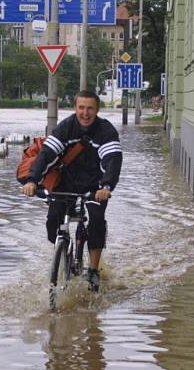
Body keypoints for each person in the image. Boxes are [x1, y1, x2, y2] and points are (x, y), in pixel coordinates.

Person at [21, 90, 122, 292]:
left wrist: (106, 187)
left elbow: (112, 161)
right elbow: (46, 154)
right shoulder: (65, 127)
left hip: (95, 186)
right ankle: (62, 249)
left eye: (90, 108)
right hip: (66, 182)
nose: (85, 113)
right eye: (81, 108)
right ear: (75, 108)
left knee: (95, 219)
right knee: (53, 220)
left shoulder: (106, 131)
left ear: (97, 110)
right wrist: (32, 180)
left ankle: (93, 269)